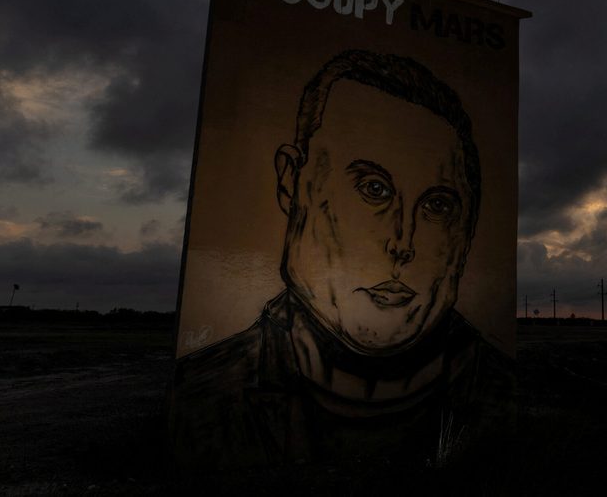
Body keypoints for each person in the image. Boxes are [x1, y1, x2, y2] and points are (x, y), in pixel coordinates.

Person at [170, 49, 513, 471]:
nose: (403, 242)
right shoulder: (203, 398)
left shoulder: (511, 400)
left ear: (468, 229)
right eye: (373, 189)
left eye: (437, 206)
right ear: (291, 182)